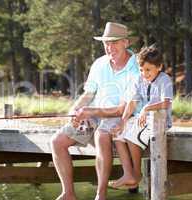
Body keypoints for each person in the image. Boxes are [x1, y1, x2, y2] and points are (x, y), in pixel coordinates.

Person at [50, 22, 140, 200]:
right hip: (95, 115)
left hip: (123, 116)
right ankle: (68, 193)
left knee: (101, 133)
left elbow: (123, 108)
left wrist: (91, 112)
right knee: (57, 141)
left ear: (126, 43)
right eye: (106, 43)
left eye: (114, 42)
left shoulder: (137, 66)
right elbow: (88, 93)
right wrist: (74, 111)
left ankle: (101, 194)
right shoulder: (99, 64)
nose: (109, 47)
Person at [108, 45, 173, 189]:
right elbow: (132, 103)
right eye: (141, 70)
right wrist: (122, 122)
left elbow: (166, 103)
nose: (144, 73)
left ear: (159, 67)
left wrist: (146, 108)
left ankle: (137, 174)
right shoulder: (139, 79)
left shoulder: (165, 80)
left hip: (159, 121)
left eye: (148, 70)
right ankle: (128, 174)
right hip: (142, 119)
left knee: (132, 136)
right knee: (117, 134)